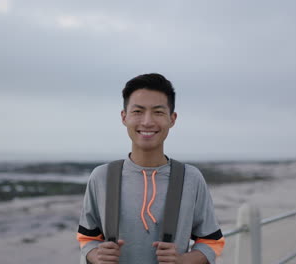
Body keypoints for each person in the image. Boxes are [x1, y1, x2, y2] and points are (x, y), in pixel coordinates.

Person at [77, 73, 225, 264]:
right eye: (138, 111)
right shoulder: (101, 177)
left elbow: (212, 241)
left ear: (172, 119)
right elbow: (87, 237)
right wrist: (96, 255)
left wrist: (182, 260)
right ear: (124, 117)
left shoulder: (191, 178)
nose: (147, 122)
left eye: (158, 112)